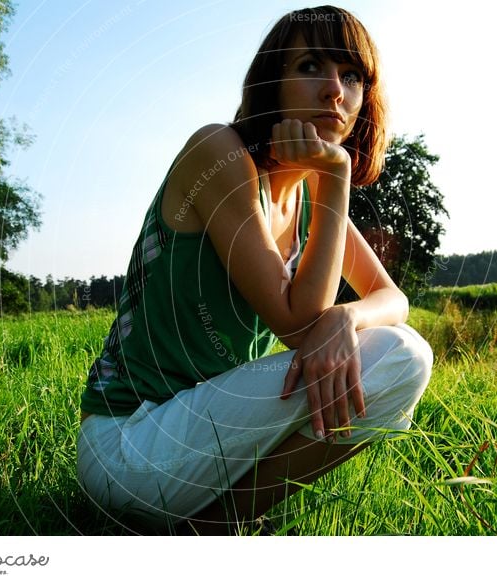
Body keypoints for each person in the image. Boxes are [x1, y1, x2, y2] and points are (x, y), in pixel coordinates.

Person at [77, 4, 433, 535]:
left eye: (351, 75)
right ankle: (212, 527)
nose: (335, 90)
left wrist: (346, 317)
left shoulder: (312, 195)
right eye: (311, 66)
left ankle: (215, 525)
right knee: (401, 355)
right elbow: (295, 323)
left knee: (405, 358)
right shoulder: (217, 152)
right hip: (131, 444)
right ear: (274, 80)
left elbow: (391, 298)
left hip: (204, 433)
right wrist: (336, 175)